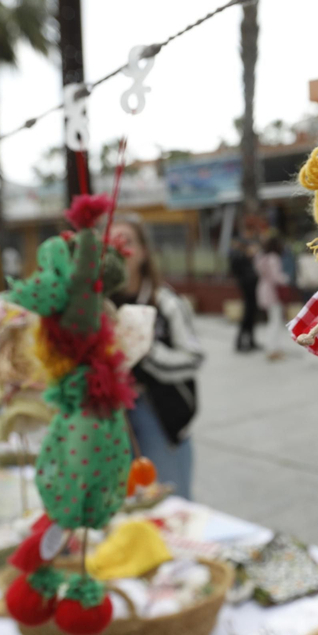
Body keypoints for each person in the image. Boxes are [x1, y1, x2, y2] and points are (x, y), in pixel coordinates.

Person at [113, 214, 205, 499]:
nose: (117, 250)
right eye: (108, 244)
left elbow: (193, 358)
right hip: (110, 420)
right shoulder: (93, 305)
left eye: (125, 242)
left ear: (142, 251)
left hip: (158, 414)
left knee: (168, 502)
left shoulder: (164, 302)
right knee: (123, 506)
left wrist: (144, 349)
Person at [228, 220, 261, 353]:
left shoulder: (242, 252)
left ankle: (250, 341)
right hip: (247, 286)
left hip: (251, 286)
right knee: (248, 314)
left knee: (252, 314)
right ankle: (240, 342)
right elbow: (238, 270)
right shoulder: (237, 254)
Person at [255, 234, 288, 360]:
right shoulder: (273, 258)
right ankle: (272, 349)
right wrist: (286, 279)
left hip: (263, 289)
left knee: (272, 320)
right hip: (272, 292)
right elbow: (276, 277)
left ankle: (273, 348)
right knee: (275, 321)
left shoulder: (261, 257)